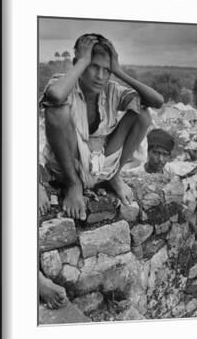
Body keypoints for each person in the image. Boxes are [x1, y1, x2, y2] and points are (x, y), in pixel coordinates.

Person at [38, 33, 164, 219]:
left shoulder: (112, 90)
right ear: (78, 64)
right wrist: (82, 62)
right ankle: (74, 185)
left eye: (106, 70)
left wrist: (118, 71)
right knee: (57, 110)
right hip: (67, 168)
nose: (100, 76)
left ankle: (113, 176)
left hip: (102, 166)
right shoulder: (63, 84)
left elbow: (157, 101)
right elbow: (55, 96)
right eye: (93, 67)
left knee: (142, 113)